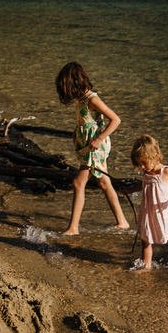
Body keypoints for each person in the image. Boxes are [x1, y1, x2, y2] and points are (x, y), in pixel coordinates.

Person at [55, 61, 130, 234]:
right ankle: (122, 221)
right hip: (89, 146)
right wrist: (77, 131)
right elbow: (88, 121)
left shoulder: (92, 99)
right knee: (104, 183)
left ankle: (74, 227)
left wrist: (99, 138)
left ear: (74, 83)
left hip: (96, 147)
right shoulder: (81, 100)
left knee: (78, 183)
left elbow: (116, 120)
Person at [129, 134, 168, 270]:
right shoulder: (147, 172)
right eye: (139, 164)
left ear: (155, 155)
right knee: (145, 239)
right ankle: (147, 266)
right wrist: (130, 189)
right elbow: (145, 185)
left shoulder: (166, 172)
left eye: (144, 163)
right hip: (149, 211)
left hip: (165, 212)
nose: (142, 168)